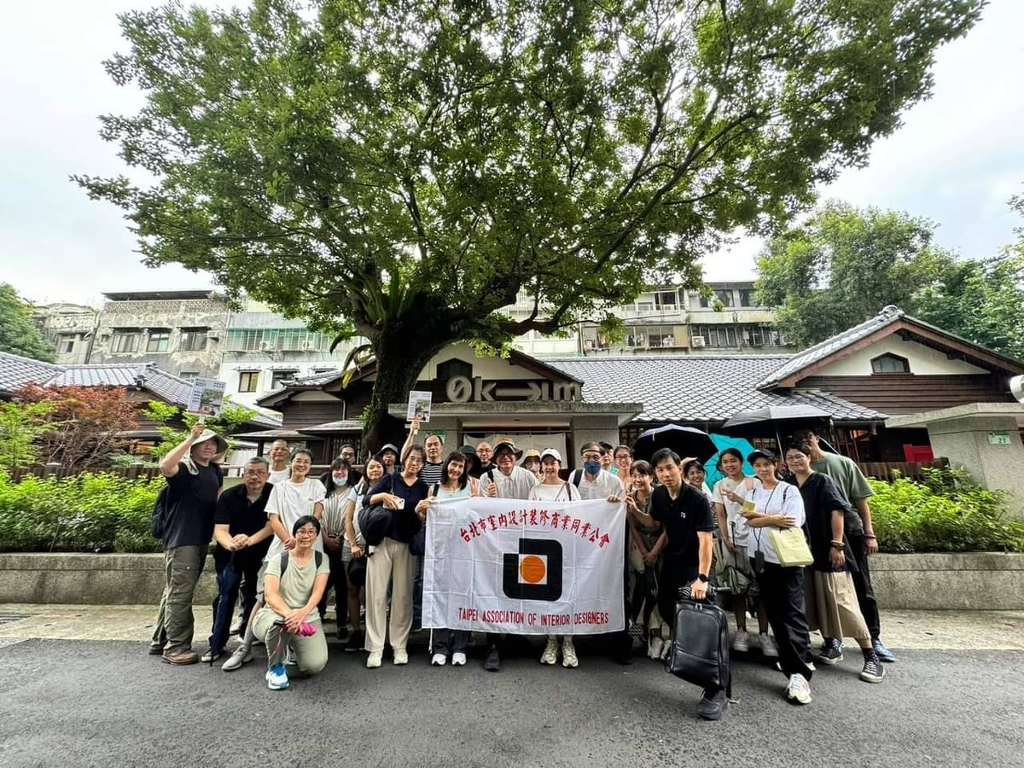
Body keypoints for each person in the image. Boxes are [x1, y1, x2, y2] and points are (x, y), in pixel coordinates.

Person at [629, 448, 726, 720]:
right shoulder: (660, 494)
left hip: (695, 568)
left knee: (704, 626)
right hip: (671, 564)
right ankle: (691, 664)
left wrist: (702, 578)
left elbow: (706, 540)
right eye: (660, 470)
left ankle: (716, 689)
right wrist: (635, 511)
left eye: (669, 468)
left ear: (679, 468)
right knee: (669, 609)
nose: (665, 473)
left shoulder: (696, 498)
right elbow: (656, 524)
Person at [792, 429, 896, 663]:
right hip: (815, 535)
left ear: (816, 439)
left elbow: (860, 499)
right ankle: (832, 638)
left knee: (860, 586)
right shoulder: (794, 475)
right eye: (795, 450)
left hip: (848, 531)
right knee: (823, 587)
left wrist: (869, 533)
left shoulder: (841, 464)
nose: (799, 455)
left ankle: (873, 637)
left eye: (806, 440)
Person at [221, 448, 326, 671]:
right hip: (281, 547)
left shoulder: (316, 486)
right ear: (291, 463)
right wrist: (289, 538)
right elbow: (273, 519)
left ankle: (294, 648)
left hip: (309, 547)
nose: (301, 465)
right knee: (263, 597)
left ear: (311, 466)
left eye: (306, 462)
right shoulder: (279, 487)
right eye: (298, 460)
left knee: (303, 595)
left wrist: (305, 535)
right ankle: (245, 646)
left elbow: (316, 514)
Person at [737, 449, 814, 705]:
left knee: (792, 612)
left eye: (765, 464)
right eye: (757, 465)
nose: (762, 469)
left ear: (775, 465)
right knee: (773, 611)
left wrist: (761, 519)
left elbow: (793, 521)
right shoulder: (752, 492)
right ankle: (791, 659)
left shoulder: (788, 491)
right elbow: (746, 519)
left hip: (786, 559)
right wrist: (771, 519)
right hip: (759, 558)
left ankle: (799, 672)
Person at [149, 422, 226, 665]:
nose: (209, 446)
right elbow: (165, 465)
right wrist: (190, 436)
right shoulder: (184, 470)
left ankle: (160, 639)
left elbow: (219, 499)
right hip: (182, 539)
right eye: (203, 443)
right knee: (181, 593)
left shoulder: (214, 471)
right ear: (193, 448)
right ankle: (176, 647)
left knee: (173, 590)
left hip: (201, 538)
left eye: (213, 443)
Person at [363, 445, 429, 668]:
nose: (415, 463)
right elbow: (366, 501)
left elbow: (420, 519)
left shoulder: (423, 487)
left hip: (407, 545)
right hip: (381, 542)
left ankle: (399, 645)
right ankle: (375, 648)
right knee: (377, 595)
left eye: (420, 461)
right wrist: (382, 495)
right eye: (412, 458)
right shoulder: (389, 479)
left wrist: (421, 512)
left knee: (402, 596)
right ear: (405, 458)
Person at [204, 456, 274, 663]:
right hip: (230, 554)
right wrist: (231, 543)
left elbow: (272, 525)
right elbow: (220, 529)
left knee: (255, 596)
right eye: (250, 472)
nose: (255, 477)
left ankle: (247, 638)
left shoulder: (273, 493)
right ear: (243, 475)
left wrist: (249, 540)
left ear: (267, 475)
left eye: (260, 472)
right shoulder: (229, 495)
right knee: (225, 596)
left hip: (260, 552)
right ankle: (216, 644)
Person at [252, 515, 330, 690]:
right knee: (281, 625)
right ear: (294, 534)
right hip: (276, 615)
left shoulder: (321, 559)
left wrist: (301, 614)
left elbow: (317, 593)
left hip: (306, 616)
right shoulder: (279, 559)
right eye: (301, 531)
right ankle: (276, 667)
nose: (306, 536)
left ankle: (291, 648)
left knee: (313, 665)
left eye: (311, 532)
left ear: (316, 536)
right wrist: (290, 616)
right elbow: (270, 596)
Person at [481, 440, 538, 671]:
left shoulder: (528, 477)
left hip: (523, 540)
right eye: (501, 454)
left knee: (519, 588)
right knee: (494, 588)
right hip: (495, 542)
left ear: (516, 456)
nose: (506, 458)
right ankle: (493, 642)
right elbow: (482, 510)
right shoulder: (487, 478)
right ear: (495, 459)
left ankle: (515, 635)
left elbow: (539, 505)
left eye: (510, 454)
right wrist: (491, 499)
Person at [712, 448, 774, 657]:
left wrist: (739, 499)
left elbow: (761, 509)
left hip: (756, 540)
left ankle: (764, 633)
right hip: (733, 541)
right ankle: (740, 630)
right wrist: (725, 538)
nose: (730, 465)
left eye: (734, 461)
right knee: (737, 586)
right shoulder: (719, 486)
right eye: (726, 462)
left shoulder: (754, 483)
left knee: (760, 589)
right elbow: (720, 514)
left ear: (741, 462)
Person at [422, 451, 479, 667]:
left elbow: (478, 514)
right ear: (446, 466)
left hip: (466, 550)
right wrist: (421, 509)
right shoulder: (435, 488)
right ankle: (441, 646)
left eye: (460, 467)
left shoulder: (471, 487)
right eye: (453, 465)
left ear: (465, 470)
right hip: (440, 552)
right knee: (440, 595)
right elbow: (426, 517)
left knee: (464, 595)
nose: (456, 470)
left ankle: (460, 646)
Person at [529, 449, 582, 668]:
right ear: (541, 466)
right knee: (548, 595)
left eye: (553, 463)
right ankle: (551, 641)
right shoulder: (535, 489)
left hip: (568, 549)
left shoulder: (571, 488)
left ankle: (568, 642)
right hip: (544, 550)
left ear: (560, 464)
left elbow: (581, 516)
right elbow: (530, 519)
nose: (549, 467)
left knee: (568, 594)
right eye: (546, 463)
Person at [622, 460, 666, 659]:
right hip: (639, 549)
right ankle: (641, 632)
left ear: (651, 476)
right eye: (635, 475)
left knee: (657, 590)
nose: (638, 479)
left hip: (661, 547)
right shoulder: (630, 497)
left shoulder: (661, 496)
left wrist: (654, 552)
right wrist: (643, 551)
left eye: (642, 475)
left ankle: (657, 635)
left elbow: (662, 527)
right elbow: (633, 527)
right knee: (642, 588)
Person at [341, 456, 383, 653]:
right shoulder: (356, 491)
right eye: (372, 467)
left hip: (376, 547)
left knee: (375, 592)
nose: (375, 470)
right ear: (366, 470)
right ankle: (356, 630)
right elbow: (348, 519)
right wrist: (353, 544)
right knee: (353, 589)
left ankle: (373, 632)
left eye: (379, 467)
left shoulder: (387, 490)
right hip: (354, 546)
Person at [319, 457, 356, 640]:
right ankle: (318, 619)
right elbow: (317, 516)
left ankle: (341, 623)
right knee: (322, 583)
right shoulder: (323, 491)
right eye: (336, 470)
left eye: (343, 470)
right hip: (322, 541)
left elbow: (351, 517)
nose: (339, 473)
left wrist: (340, 537)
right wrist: (325, 538)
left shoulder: (353, 492)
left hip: (343, 542)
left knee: (342, 585)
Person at [402, 416, 444, 485]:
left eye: (436, 444)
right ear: (424, 449)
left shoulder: (447, 466)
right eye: (429, 445)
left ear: (442, 447)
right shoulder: (420, 466)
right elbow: (405, 457)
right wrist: (411, 433)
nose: (433, 447)